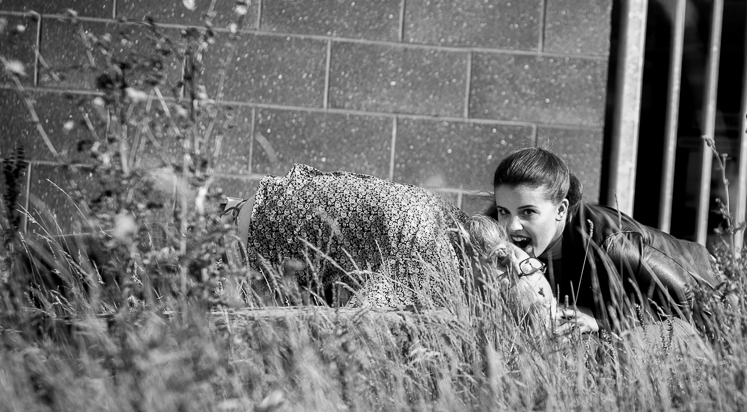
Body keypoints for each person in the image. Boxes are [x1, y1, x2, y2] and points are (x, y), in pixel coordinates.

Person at [222, 164, 555, 319]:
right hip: (240, 245)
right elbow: (358, 319)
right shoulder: (437, 260)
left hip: (252, 210)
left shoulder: (458, 227)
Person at [489, 148, 718, 335]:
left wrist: (601, 321)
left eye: (528, 212)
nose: (512, 226)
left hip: (709, 289)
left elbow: (703, 311)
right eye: (504, 211)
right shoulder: (498, 235)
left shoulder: (616, 246)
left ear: (561, 210)